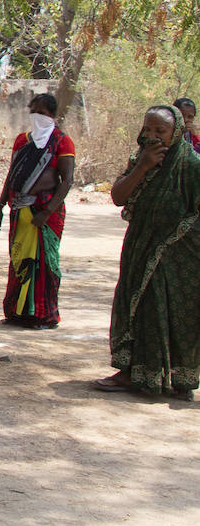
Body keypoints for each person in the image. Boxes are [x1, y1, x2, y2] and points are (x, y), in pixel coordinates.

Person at [94, 104, 200, 399]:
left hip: (178, 256)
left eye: (161, 131)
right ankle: (132, 372)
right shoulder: (139, 160)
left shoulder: (192, 166)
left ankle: (180, 379)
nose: (153, 136)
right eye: (148, 129)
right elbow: (118, 196)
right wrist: (143, 166)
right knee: (135, 307)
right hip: (140, 246)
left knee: (174, 313)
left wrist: (174, 240)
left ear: (176, 132)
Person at [0, 93, 75, 329]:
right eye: (34, 111)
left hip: (45, 212)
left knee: (44, 263)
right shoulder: (22, 141)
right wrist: (0, 205)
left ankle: (43, 315)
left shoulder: (62, 141)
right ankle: (18, 312)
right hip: (20, 208)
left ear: (53, 115)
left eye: (43, 112)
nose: (38, 116)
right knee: (20, 258)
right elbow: (12, 175)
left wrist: (47, 212)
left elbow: (67, 180)